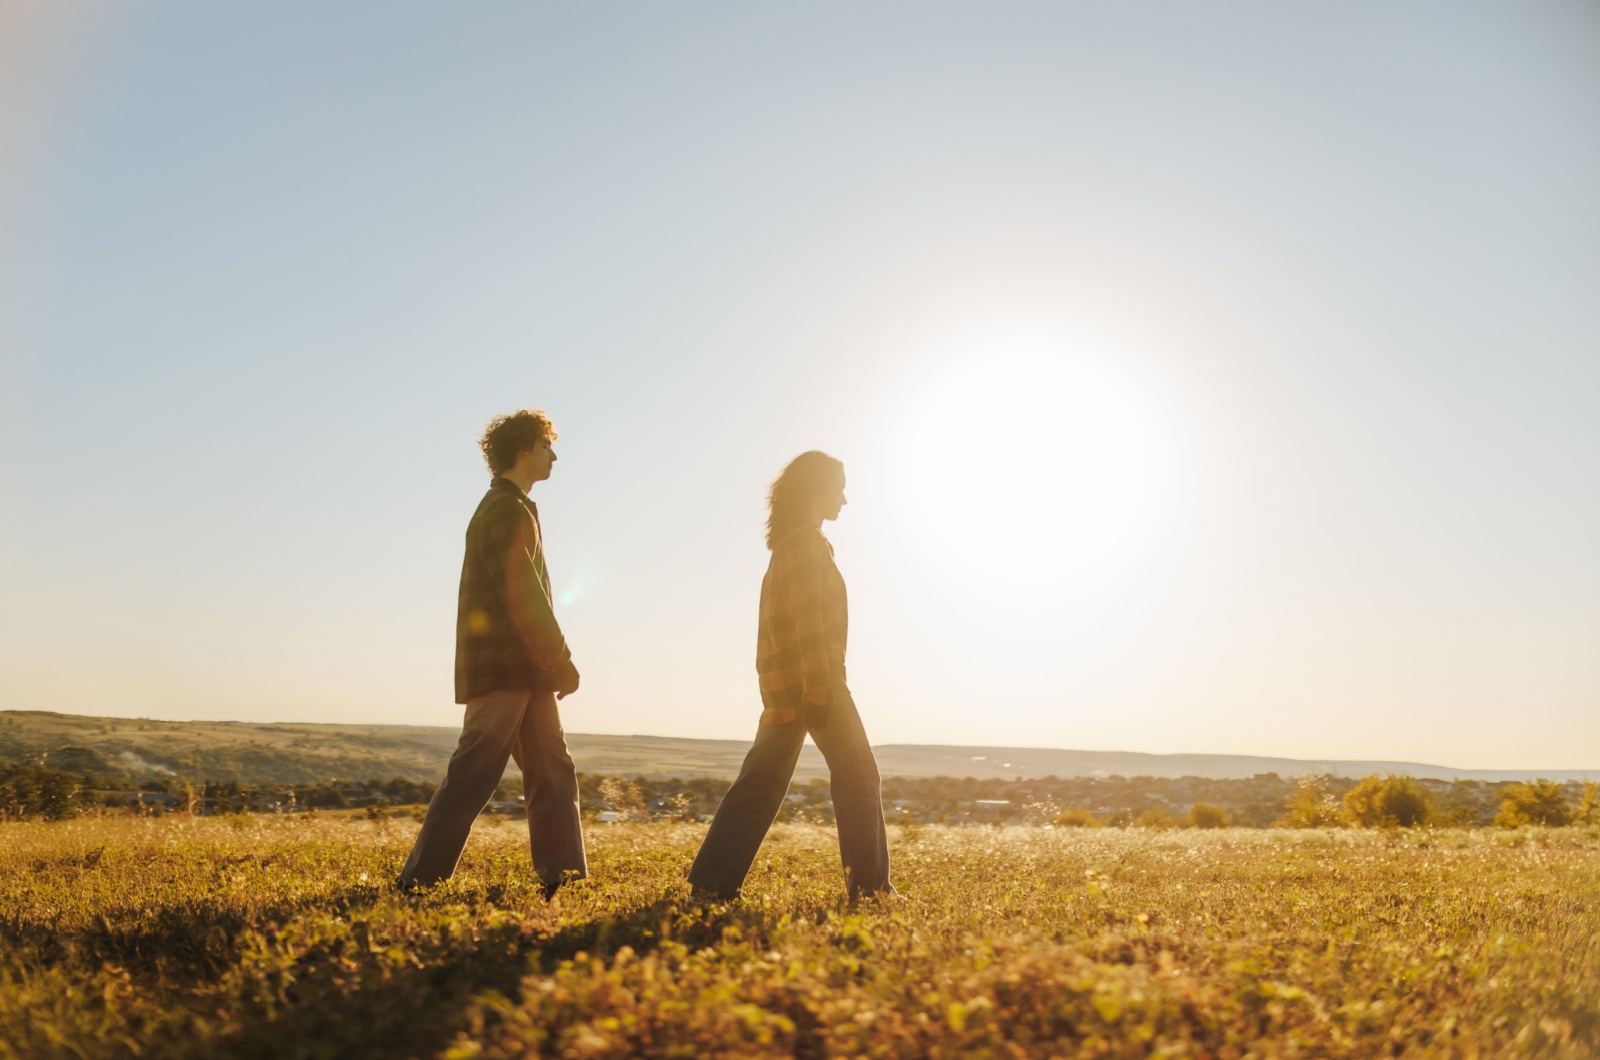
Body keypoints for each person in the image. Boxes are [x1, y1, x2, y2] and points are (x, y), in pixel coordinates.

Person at [688, 451, 893, 900]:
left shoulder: (790, 544)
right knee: (860, 775)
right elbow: (809, 623)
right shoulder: (806, 544)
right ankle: (872, 889)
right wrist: (821, 688)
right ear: (817, 488)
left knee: (760, 782)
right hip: (814, 682)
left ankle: (710, 885)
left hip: (785, 683)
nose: (844, 499)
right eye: (839, 488)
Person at [399, 408, 586, 896]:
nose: (554, 456)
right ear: (523, 448)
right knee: (473, 773)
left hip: (527, 669)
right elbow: (524, 595)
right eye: (547, 446)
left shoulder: (514, 507)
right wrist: (561, 659)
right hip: (505, 668)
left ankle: (563, 877)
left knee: (553, 770)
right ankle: (420, 880)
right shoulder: (504, 509)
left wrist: (550, 663)